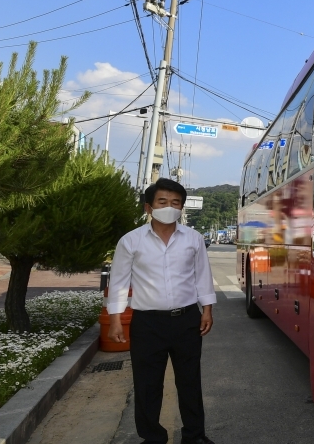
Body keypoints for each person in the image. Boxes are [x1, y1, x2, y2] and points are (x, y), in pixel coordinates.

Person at [107, 178, 216, 444]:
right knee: (147, 384)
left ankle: (194, 436)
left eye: (175, 203)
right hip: (147, 323)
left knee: (190, 381)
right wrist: (115, 319)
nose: (169, 207)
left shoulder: (193, 239)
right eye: (163, 202)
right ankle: (152, 437)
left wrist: (207, 309)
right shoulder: (131, 241)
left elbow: (202, 276)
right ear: (149, 207)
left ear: (182, 208)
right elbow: (119, 281)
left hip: (187, 320)